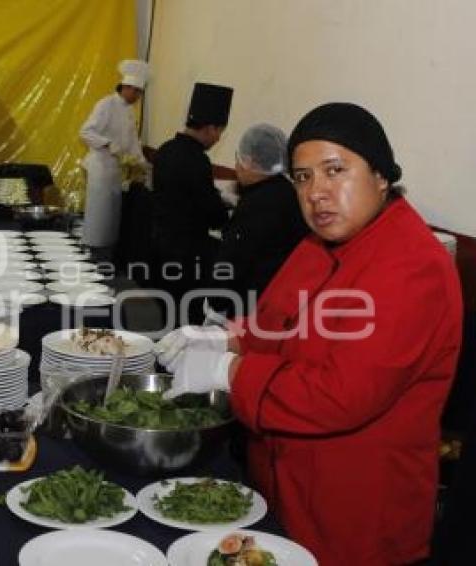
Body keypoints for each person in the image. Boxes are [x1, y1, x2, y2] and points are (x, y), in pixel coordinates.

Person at [158, 103, 463, 565]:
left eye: (335, 171)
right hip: (285, 489)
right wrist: (226, 338)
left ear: (381, 175)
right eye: (302, 177)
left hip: (354, 513)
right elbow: (277, 320)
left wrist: (229, 370)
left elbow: (340, 396)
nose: (317, 192)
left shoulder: (411, 266)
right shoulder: (318, 245)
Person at [151, 82, 233, 326]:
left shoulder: (166, 150)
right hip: (187, 256)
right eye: (219, 132)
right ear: (209, 129)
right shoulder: (197, 160)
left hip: (160, 247)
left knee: (169, 316)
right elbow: (211, 213)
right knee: (188, 319)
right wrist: (226, 210)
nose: (218, 139)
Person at [209, 123, 308, 320]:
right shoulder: (290, 192)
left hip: (251, 305)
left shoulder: (255, 205)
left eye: (240, 160)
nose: (237, 166)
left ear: (251, 161)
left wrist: (216, 302)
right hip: (284, 300)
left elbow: (232, 262)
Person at [79, 59, 149, 258]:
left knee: (110, 220)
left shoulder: (129, 111)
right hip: (100, 169)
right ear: (125, 87)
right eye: (136, 92)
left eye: (140, 93)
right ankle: (92, 256)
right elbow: (85, 132)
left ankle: (105, 256)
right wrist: (108, 144)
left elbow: (133, 143)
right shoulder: (106, 104)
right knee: (98, 217)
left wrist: (143, 164)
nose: (137, 97)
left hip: (116, 173)